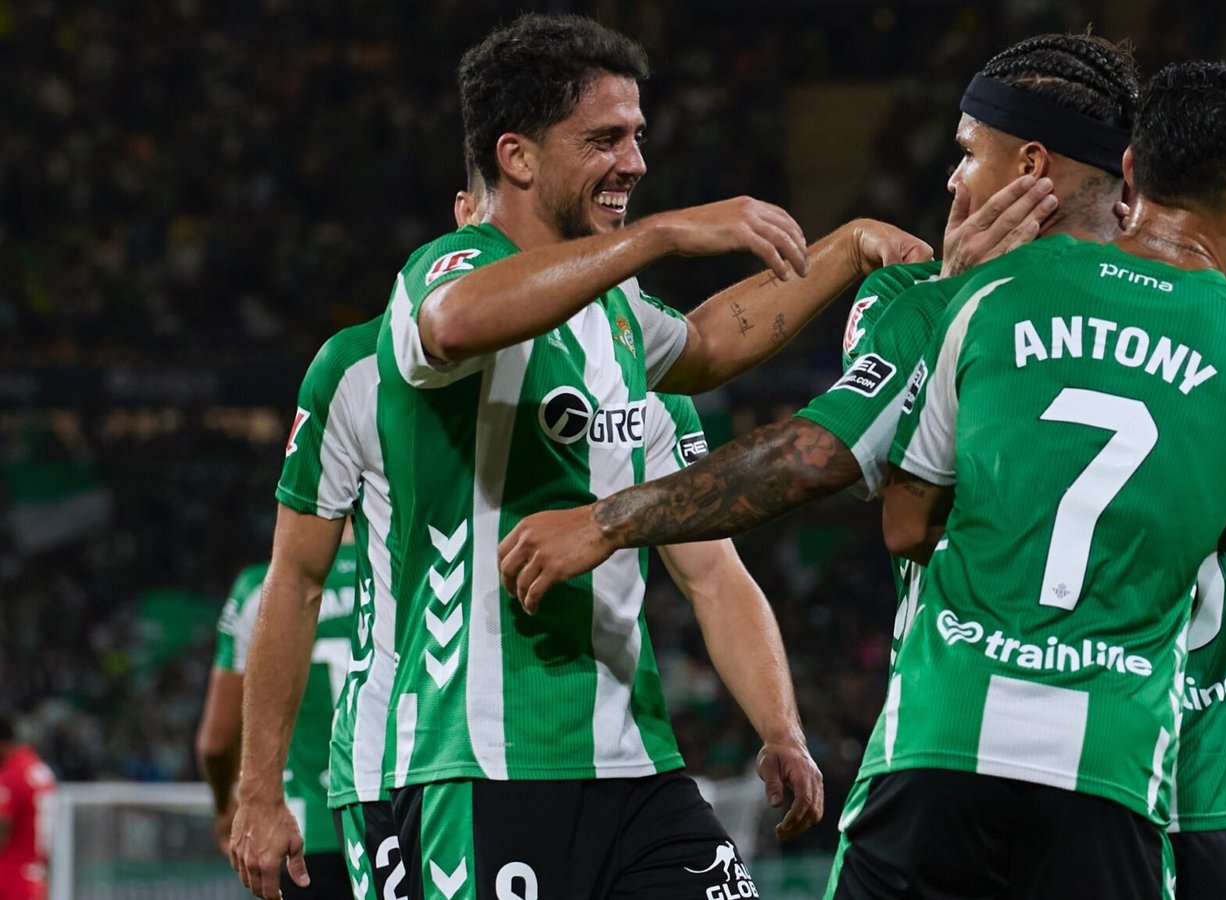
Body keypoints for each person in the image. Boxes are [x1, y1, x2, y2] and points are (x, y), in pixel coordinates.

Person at [494, 34, 1226, 899]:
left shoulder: (939, 303)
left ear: (1033, 165)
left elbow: (839, 472)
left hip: (968, 745)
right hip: (1152, 773)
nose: (952, 178)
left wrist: (609, 519)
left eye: (967, 153)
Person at [231, 13, 921, 895]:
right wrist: (258, 790)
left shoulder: (618, 318)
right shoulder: (440, 277)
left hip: (633, 763)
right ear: (517, 158)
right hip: (477, 760)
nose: (634, 162)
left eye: (637, 136)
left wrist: (848, 247)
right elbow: (454, 323)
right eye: (604, 139)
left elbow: (711, 347)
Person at [852, 59, 1226, 898]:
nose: (953, 177)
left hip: (943, 725)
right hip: (1134, 754)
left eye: (967, 152)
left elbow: (889, 510)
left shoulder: (961, 299)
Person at [201, 541, 358, 900]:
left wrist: (226, 809)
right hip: (399, 819)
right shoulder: (402, 572)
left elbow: (215, 743)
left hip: (305, 835)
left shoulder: (260, 588)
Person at [0, 715, 55, 900]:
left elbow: (2, 829)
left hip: (10, 877)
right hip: (35, 876)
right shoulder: (39, 769)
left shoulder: (12, 775)